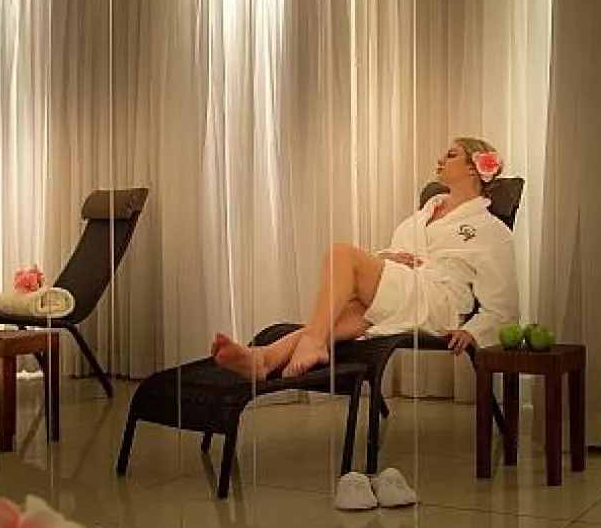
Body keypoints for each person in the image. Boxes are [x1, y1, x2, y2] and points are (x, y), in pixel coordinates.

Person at [212, 137, 519, 380]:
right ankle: (264, 360)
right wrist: (391, 257)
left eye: (451, 155)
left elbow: (501, 303)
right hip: (407, 292)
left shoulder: (491, 230)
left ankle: (313, 344)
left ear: (473, 168)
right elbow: (395, 257)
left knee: (342, 254)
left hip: (437, 302)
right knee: (339, 317)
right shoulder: (424, 214)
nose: (440, 159)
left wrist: (473, 331)